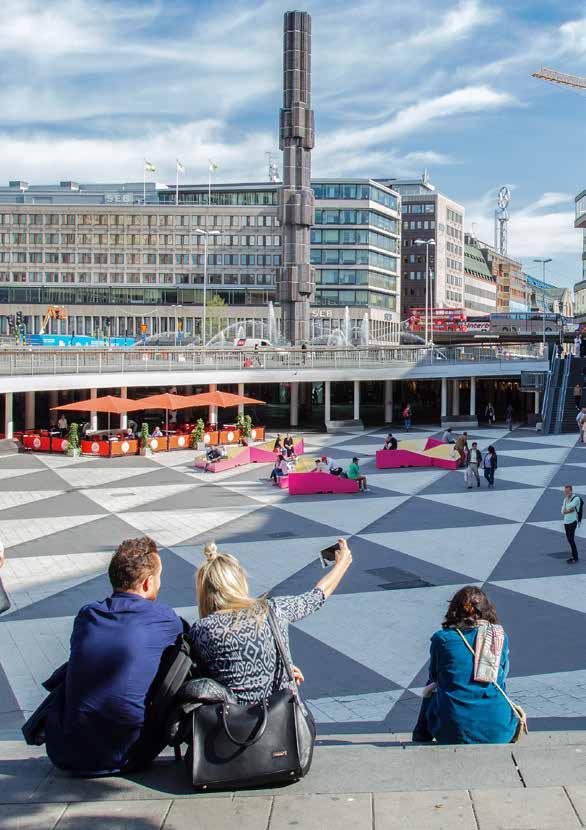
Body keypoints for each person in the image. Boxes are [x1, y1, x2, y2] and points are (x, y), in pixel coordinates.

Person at [45, 538, 183, 775]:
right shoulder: (163, 618)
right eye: (159, 577)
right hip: (127, 754)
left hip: (65, 752)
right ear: (148, 582)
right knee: (181, 656)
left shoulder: (87, 615)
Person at [190, 539, 352, 706]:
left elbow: (207, 681)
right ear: (240, 582)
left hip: (231, 725)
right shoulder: (272, 610)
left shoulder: (202, 630)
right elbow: (315, 597)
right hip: (282, 723)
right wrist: (342, 564)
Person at [412, 586, 518, 745]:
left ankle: (421, 734)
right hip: (500, 732)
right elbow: (501, 675)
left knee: (432, 687)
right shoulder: (499, 636)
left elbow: (434, 676)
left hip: (452, 733)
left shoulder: (442, 639)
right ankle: (492, 718)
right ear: (487, 610)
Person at [562, 484, 581, 564]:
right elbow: (562, 511)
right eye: (565, 491)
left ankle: (575, 557)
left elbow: (571, 506)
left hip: (573, 522)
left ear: (571, 491)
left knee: (571, 539)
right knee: (570, 540)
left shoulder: (576, 499)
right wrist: (567, 510)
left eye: (567, 491)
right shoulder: (565, 499)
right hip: (566, 522)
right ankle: (574, 556)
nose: (566, 493)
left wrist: (567, 503)